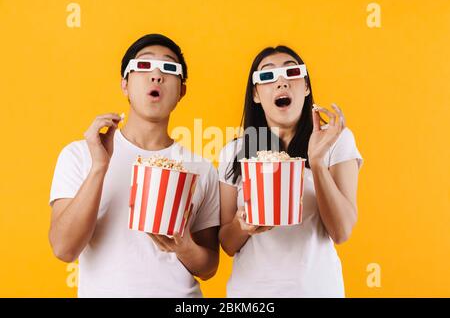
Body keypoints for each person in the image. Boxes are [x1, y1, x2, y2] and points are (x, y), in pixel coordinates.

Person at [49, 34, 220, 297]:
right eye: (143, 66)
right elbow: (64, 249)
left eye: (169, 68)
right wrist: (99, 168)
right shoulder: (80, 155)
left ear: (181, 91)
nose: (156, 75)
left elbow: (208, 268)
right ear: (125, 85)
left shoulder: (201, 168)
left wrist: (183, 245)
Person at [218, 45, 363, 297]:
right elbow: (228, 244)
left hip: (317, 290)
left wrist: (316, 162)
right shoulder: (234, 152)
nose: (281, 82)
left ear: (306, 87)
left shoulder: (336, 140)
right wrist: (243, 224)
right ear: (255, 94)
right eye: (267, 75)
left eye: (292, 72)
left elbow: (341, 231)